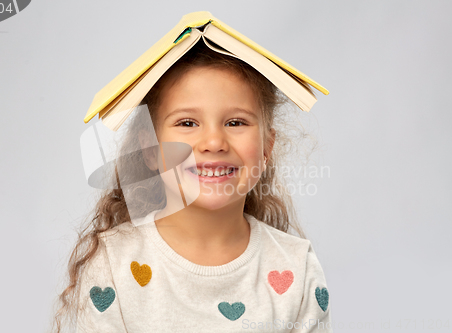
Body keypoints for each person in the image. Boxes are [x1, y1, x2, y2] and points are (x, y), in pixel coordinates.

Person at [50, 37, 333, 333]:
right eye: (187, 123)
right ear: (149, 148)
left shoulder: (298, 267)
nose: (213, 142)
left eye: (236, 122)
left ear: (266, 148)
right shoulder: (113, 263)